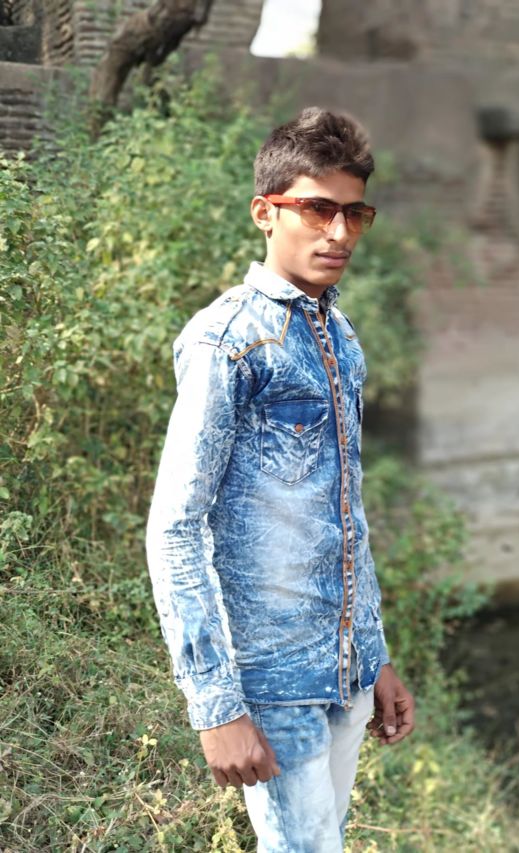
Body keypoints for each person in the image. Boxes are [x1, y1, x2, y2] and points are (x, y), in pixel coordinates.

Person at [145, 106, 415, 852]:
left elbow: (343, 513)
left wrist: (375, 657)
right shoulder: (227, 340)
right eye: (318, 210)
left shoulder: (339, 336)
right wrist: (216, 706)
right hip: (270, 683)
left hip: (344, 675)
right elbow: (174, 529)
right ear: (266, 212)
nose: (340, 233)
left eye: (355, 213)